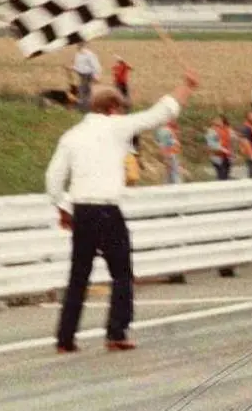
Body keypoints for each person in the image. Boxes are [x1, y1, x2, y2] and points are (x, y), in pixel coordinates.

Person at [45, 70, 198, 354]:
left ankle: (65, 338)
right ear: (113, 108)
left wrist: (64, 208)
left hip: (81, 210)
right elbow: (159, 113)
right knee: (121, 273)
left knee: (78, 276)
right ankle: (116, 332)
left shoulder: (71, 135)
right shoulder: (117, 127)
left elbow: (53, 179)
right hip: (107, 210)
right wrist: (186, 87)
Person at [71, 43, 101, 112]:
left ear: (83, 45)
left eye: (80, 45)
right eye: (78, 45)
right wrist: (72, 68)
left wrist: (96, 76)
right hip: (81, 75)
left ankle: (84, 108)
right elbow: (78, 66)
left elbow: (96, 65)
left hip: (88, 75)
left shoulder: (89, 54)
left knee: (83, 90)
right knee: (85, 91)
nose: (78, 47)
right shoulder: (78, 54)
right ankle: (87, 107)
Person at [205, 114, 234, 181]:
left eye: (218, 120)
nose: (216, 121)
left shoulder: (228, 130)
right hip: (217, 157)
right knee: (221, 176)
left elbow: (233, 140)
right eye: (215, 120)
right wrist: (223, 149)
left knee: (226, 175)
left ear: (223, 121)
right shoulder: (211, 131)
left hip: (228, 157)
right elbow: (211, 144)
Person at [155, 119, 183, 184]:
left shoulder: (169, 131)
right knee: (174, 175)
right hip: (170, 155)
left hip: (171, 155)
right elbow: (163, 146)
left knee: (170, 175)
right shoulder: (165, 132)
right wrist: (166, 158)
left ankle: (169, 187)